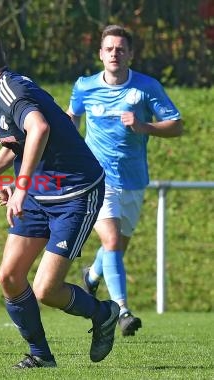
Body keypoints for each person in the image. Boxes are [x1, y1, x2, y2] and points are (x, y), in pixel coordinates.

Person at [0, 28, 120, 369]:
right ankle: (41, 356)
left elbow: (39, 128)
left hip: (76, 193)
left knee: (47, 290)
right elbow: (14, 145)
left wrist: (20, 186)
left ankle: (102, 312)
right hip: (39, 193)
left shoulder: (11, 92)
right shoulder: (3, 91)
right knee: (10, 277)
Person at [66, 25, 183, 337]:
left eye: (120, 49)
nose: (114, 53)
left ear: (130, 54)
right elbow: (72, 117)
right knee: (113, 241)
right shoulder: (85, 86)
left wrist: (145, 127)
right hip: (96, 178)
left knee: (116, 247)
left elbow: (176, 125)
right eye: (109, 49)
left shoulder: (146, 87)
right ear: (101, 54)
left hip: (133, 180)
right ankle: (121, 310)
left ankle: (91, 275)